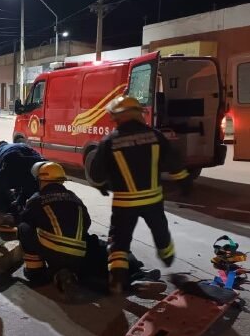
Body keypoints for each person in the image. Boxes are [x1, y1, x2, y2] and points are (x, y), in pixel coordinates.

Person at [88, 96, 191, 294]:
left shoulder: (110, 141)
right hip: (152, 199)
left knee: (119, 240)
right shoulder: (155, 136)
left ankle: (117, 278)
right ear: (138, 114)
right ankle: (167, 256)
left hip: (124, 203)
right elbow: (174, 163)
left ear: (117, 117)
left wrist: (101, 184)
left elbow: (96, 174)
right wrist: (184, 182)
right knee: (160, 229)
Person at [18, 161, 162, 298]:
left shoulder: (35, 199)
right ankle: (136, 276)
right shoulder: (74, 198)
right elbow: (86, 222)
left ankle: (37, 272)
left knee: (24, 227)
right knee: (109, 248)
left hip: (53, 255)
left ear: (41, 180)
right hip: (80, 252)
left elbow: (25, 220)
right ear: (61, 181)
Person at [0, 141, 45, 227]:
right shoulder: (21, 145)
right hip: (38, 164)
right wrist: (19, 199)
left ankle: (3, 216)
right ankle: (31, 215)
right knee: (33, 192)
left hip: (13, 163)